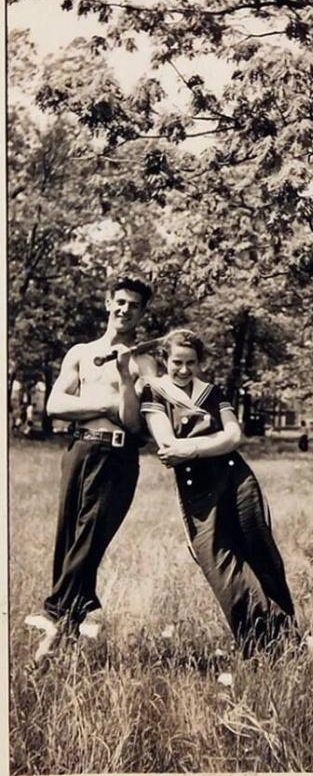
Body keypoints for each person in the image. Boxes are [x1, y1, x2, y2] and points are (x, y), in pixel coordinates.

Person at [140, 328, 298, 659]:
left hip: (237, 478)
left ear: (200, 363)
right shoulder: (155, 393)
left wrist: (191, 448)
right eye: (177, 363)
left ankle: (288, 640)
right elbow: (166, 444)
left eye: (191, 363)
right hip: (196, 489)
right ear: (165, 361)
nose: (184, 370)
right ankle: (262, 646)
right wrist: (207, 444)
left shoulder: (212, 392)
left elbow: (235, 436)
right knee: (220, 565)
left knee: (261, 554)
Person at [25, 276, 157, 661]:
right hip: (80, 450)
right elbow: (55, 406)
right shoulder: (80, 353)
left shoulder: (145, 362)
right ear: (107, 303)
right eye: (119, 302)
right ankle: (69, 631)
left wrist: (122, 377)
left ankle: (54, 614)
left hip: (117, 458)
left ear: (142, 313)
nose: (124, 309)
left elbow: (135, 427)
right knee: (69, 538)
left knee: (89, 540)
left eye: (133, 305)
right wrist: (104, 406)